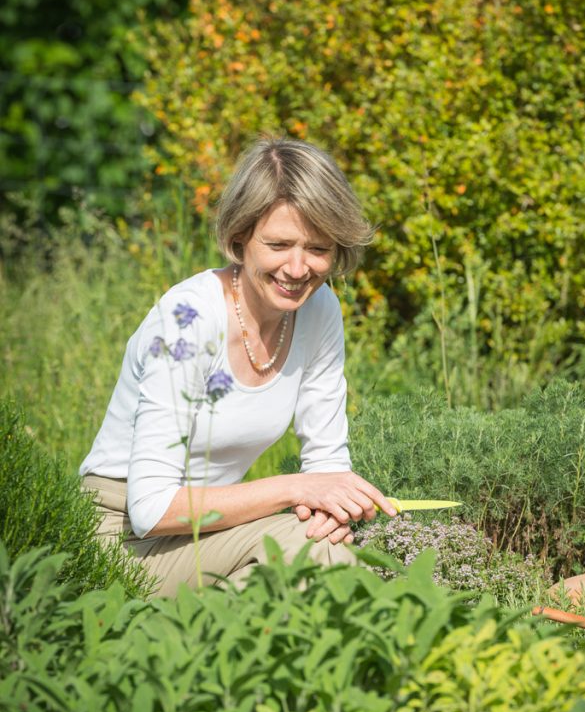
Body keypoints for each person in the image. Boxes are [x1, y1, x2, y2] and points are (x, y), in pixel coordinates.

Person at [80, 137, 397, 595]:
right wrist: (296, 491)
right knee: (307, 555)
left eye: (317, 248)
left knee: (310, 557)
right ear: (239, 238)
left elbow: (327, 464)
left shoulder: (319, 309)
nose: (298, 267)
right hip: (123, 535)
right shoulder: (187, 321)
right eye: (279, 244)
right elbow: (150, 510)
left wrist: (330, 514)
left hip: (210, 534)